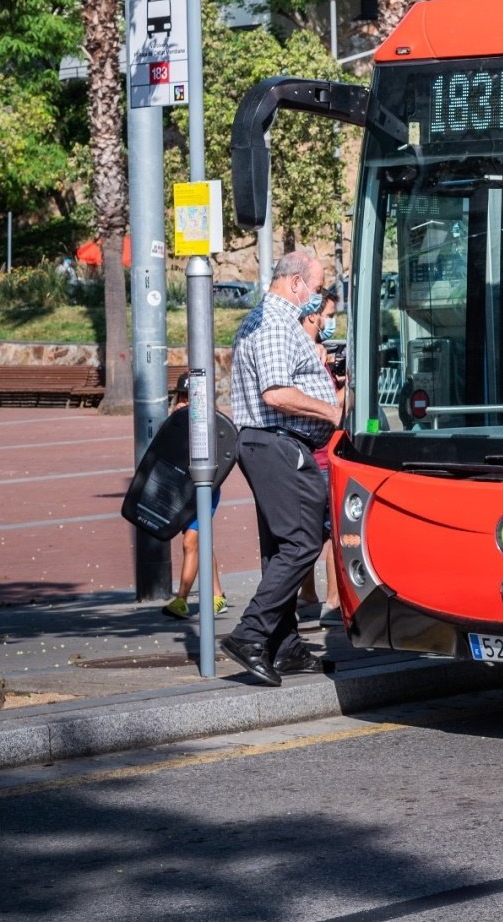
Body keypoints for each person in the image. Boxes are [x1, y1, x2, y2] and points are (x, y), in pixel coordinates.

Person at [219, 251, 341, 686]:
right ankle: (250, 635)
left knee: (280, 547)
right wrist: (330, 411)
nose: (319, 296)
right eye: (316, 285)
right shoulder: (273, 323)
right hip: (277, 445)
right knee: (304, 542)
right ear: (295, 284)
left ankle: (283, 646)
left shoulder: (272, 320)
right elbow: (276, 393)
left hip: (273, 445)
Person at [296, 290, 344, 626]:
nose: (330, 322)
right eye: (328, 314)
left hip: (306, 456)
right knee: (333, 533)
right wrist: (349, 389)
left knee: (308, 532)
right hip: (323, 458)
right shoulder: (310, 353)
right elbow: (330, 409)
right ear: (314, 316)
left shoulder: (307, 351)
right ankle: (333, 601)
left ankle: (308, 596)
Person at [161, 375, 228, 620]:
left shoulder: (212, 422)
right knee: (200, 542)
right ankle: (217, 596)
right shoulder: (176, 420)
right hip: (182, 489)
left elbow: (221, 451)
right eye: (184, 396)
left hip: (204, 488)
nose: (188, 401)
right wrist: (175, 423)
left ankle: (181, 599)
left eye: (193, 397)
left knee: (191, 542)